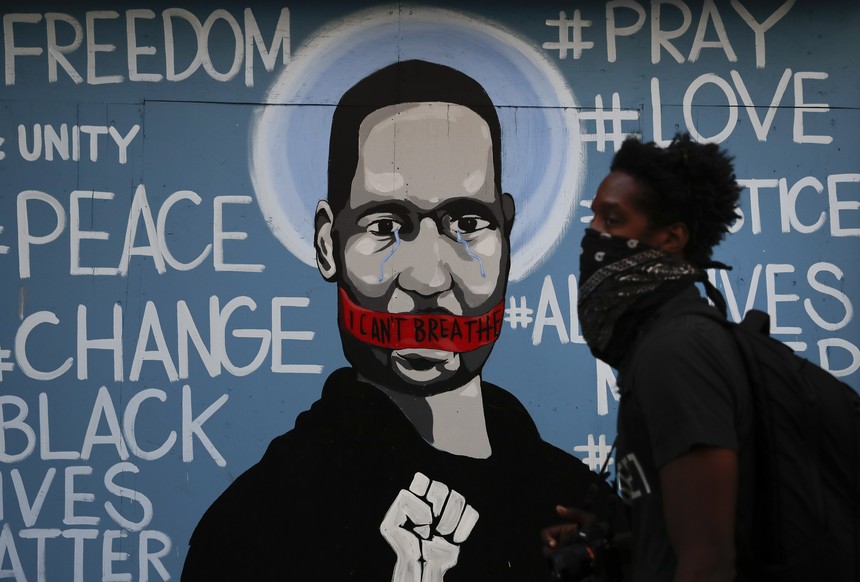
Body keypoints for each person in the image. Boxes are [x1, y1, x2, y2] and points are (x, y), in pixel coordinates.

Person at [182, 60, 623, 581]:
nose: (429, 278)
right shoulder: (263, 521)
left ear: (506, 232)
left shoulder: (570, 502)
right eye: (387, 225)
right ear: (329, 245)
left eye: (467, 223)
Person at [544, 134, 752, 582]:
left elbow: (708, 563)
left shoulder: (679, 350)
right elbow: (683, 537)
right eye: (594, 216)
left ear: (671, 238)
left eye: (613, 219)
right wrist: (615, 547)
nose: (593, 234)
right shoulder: (660, 340)